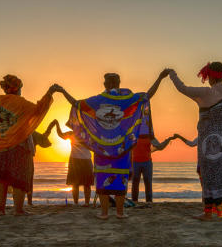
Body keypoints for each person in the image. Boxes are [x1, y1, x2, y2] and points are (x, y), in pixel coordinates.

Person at [57, 69, 170, 219]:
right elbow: (148, 95)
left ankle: (104, 213)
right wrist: (160, 78)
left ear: (105, 84)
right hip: (121, 148)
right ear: (118, 84)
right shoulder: (126, 100)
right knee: (120, 180)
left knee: (103, 180)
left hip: (101, 147)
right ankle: (120, 213)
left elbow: (76, 104)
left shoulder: (97, 100)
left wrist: (62, 91)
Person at [168, 62, 222, 221]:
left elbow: (183, 88)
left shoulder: (207, 93)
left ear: (211, 76)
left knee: (206, 174)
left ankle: (208, 213)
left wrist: (172, 74)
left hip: (209, 145)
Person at [0, 74, 60, 216]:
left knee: (1, 178)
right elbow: (38, 110)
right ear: (17, 88)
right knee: (19, 178)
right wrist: (49, 93)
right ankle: (18, 210)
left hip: (0, 148)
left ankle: (1, 210)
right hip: (19, 146)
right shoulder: (20, 103)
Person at [131, 103, 176, 204]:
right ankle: (134, 201)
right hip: (135, 162)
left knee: (148, 183)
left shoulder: (149, 136)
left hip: (147, 162)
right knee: (135, 183)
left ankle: (149, 202)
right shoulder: (134, 135)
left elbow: (159, 147)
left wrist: (168, 139)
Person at [47, 119, 94, 206]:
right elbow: (61, 135)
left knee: (86, 184)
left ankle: (86, 203)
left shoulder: (89, 133)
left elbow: (96, 143)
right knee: (75, 184)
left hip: (86, 159)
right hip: (75, 160)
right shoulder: (72, 133)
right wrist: (57, 124)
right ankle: (76, 203)